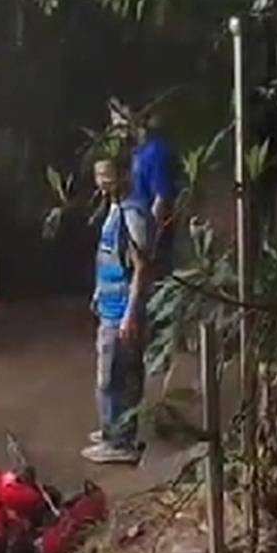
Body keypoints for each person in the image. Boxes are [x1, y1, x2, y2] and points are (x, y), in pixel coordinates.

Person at [84, 156, 151, 465]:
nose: (103, 181)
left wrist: (130, 313)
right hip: (110, 305)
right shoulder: (114, 208)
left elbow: (141, 266)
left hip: (122, 309)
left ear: (125, 174)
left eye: (109, 174)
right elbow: (108, 255)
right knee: (113, 374)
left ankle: (119, 441)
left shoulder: (132, 213)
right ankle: (113, 430)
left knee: (113, 378)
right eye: (99, 175)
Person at [130, 113, 179, 276]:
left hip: (151, 224)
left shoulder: (156, 150)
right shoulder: (137, 152)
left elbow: (161, 195)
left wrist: (153, 231)